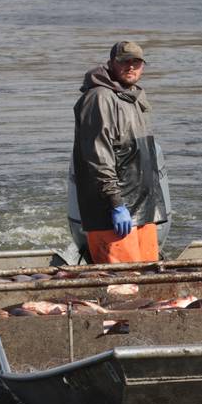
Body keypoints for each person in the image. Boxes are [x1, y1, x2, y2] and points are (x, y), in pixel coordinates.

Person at [72, 41, 167, 263]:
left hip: (143, 211)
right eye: (125, 62)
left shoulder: (133, 97)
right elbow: (97, 158)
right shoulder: (99, 99)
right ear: (112, 63)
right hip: (113, 213)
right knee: (122, 286)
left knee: (149, 281)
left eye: (137, 62)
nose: (131, 67)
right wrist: (116, 204)